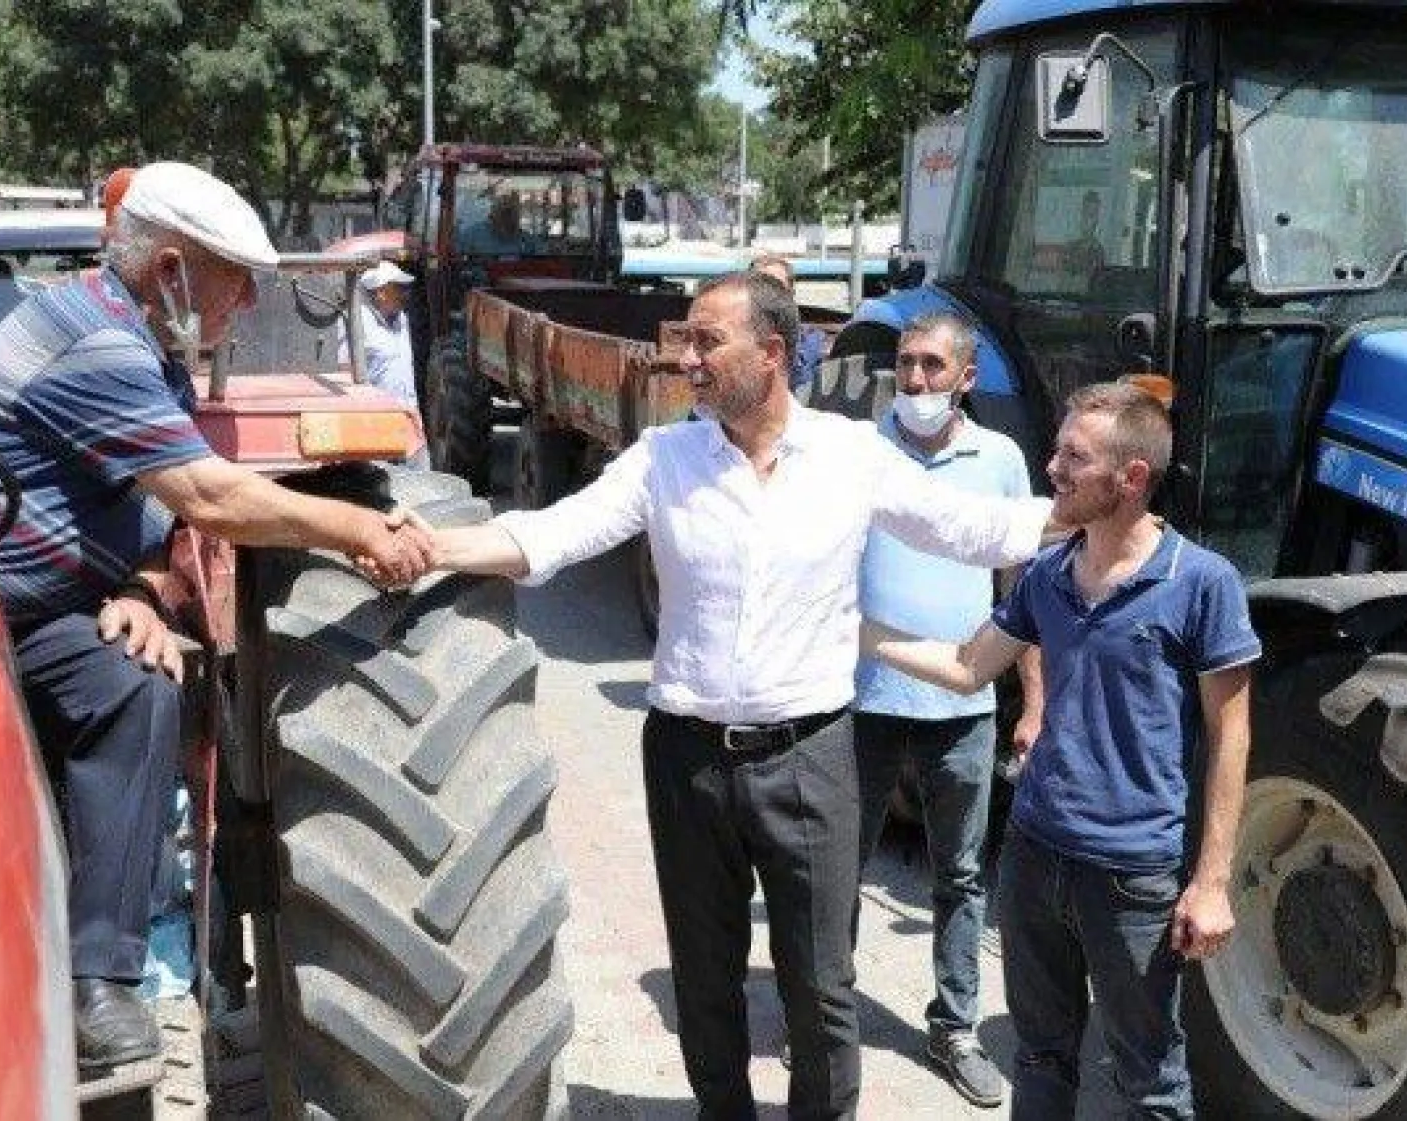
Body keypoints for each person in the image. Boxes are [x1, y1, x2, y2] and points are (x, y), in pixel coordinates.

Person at [412, 270, 1051, 1120]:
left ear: (773, 353)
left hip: (813, 758)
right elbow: (552, 536)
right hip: (688, 763)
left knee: (822, 989)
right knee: (705, 980)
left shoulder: (849, 455)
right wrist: (431, 548)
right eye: (686, 340)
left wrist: (1094, 509)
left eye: (707, 341)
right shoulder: (664, 459)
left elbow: (972, 529)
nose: (687, 359)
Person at [0, 161, 433, 1071]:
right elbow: (209, 495)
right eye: (233, 274)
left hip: (26, 612)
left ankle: (100, 981)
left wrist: (142, 589)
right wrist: (358, 528)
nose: (249, 297)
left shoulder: (151, 360)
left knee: (135, 681)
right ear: (172, 268)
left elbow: (155, 512)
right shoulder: (90, 343)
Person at [863, 382, 1258, 1120]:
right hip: (1033, 855)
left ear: (1131, 478)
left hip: (1133, 876)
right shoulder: (1048, 572)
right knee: (1040, 1057)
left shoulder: (1202, 583)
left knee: (1152, 1082)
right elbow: (966, 665)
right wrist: (860, 632)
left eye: (1075, 457)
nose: (1051, 468)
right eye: (1058, 450)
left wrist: (1211, 881)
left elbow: (1232, 735)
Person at [852, 311, 1041, 1109]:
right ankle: (827, 1015)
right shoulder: (858, 451)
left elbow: (1019, 590)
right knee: (836, 869)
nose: (917, 380)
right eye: (906, 364)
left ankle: (954, 1025)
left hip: (962, 708)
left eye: (933, 366)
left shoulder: (999, 459)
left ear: (966, 377)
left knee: (960, 875)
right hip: (858, 703)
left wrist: (1035, 698)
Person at [341, 260, 417, 408]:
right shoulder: (357, 321)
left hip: (407, 412)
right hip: (377, 416)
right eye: (398, 288)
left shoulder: (401, 319)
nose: (404, 294)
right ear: (381, 293)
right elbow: (344, 372)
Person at [750, 251, 827, 393]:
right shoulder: (732, 339)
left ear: (791, 293)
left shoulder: (810, 340)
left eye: (777, 287)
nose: (769, 294)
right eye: (761, 286)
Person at [458, 189, 535, 256]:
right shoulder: (472, 235)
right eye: (503, 209)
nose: (507, 217)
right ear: (492, 211)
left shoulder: (527, 240)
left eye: (511, 210)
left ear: (518, 213)